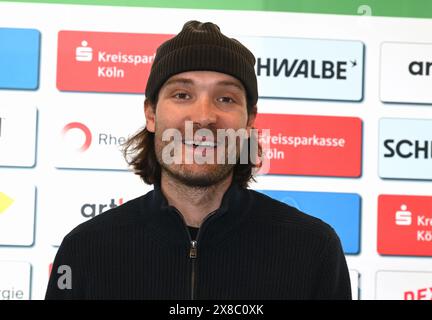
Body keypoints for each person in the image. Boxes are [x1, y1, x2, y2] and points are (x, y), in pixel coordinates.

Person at [45, 20, 351, 300]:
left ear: (249, 121)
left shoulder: (313, 249)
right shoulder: (85, 249)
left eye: (226, 98)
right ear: (151, 114)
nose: (204, 117)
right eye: (182, 95)